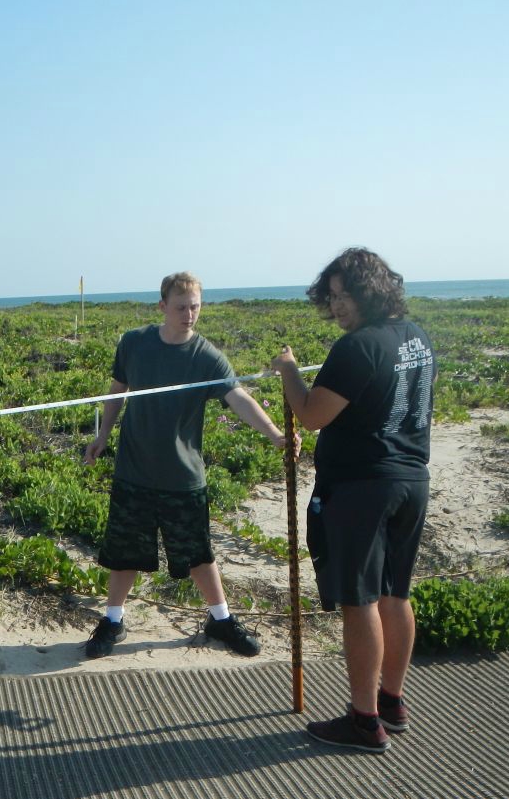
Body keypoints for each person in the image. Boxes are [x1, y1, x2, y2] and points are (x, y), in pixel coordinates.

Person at [272, 247, 436, 754]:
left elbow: (312, 413)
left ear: (371, 292)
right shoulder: (417, 338)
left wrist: (288, 370)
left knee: (360, 600)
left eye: (346, 296)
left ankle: (364, 720)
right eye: (333, 297)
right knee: (395, 594)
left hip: (363, 487)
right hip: (412, 480)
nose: (338, 307)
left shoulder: (356, 347)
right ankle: (393, 700)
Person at [82, 271, 292, 660]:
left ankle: (221, 619)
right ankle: (113, 620)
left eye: (195, 306)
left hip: (183, 476)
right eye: (181, 307)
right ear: (162, 306)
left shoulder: (207, 357)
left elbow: (238, 397)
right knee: (124, 551)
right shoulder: (134, 343)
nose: (189, 314)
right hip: (134, 470)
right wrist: (102, 436)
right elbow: (116, 391)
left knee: (197, 553)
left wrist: (275, 435)